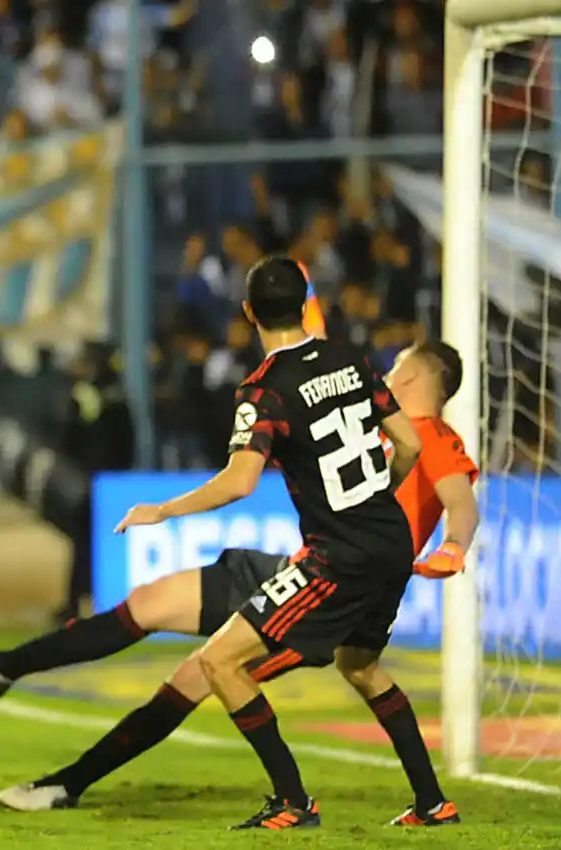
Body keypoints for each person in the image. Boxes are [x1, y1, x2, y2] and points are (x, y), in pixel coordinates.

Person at [0, 341, 473, 827]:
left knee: (202, 672)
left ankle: (67, 783)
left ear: (413, 377)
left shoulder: (434, 435)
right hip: (296, 565)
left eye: (398, 366)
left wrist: (454, 545)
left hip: (333, 580)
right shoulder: (367, 414)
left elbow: (461, 503)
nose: (389, 372)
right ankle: (5, 668)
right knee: (150, 603)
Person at [109, 255, 445, 828]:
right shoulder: (348, 358)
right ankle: (433, 802)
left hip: (337, 556)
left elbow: (241, 481)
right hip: (392, 543)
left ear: (248, 314)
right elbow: (408, 445)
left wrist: (164, 510)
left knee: (219, 661)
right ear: (306, 301)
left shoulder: (264, 390)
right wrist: (375, 498)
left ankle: (293, 800)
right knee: (362, 667)